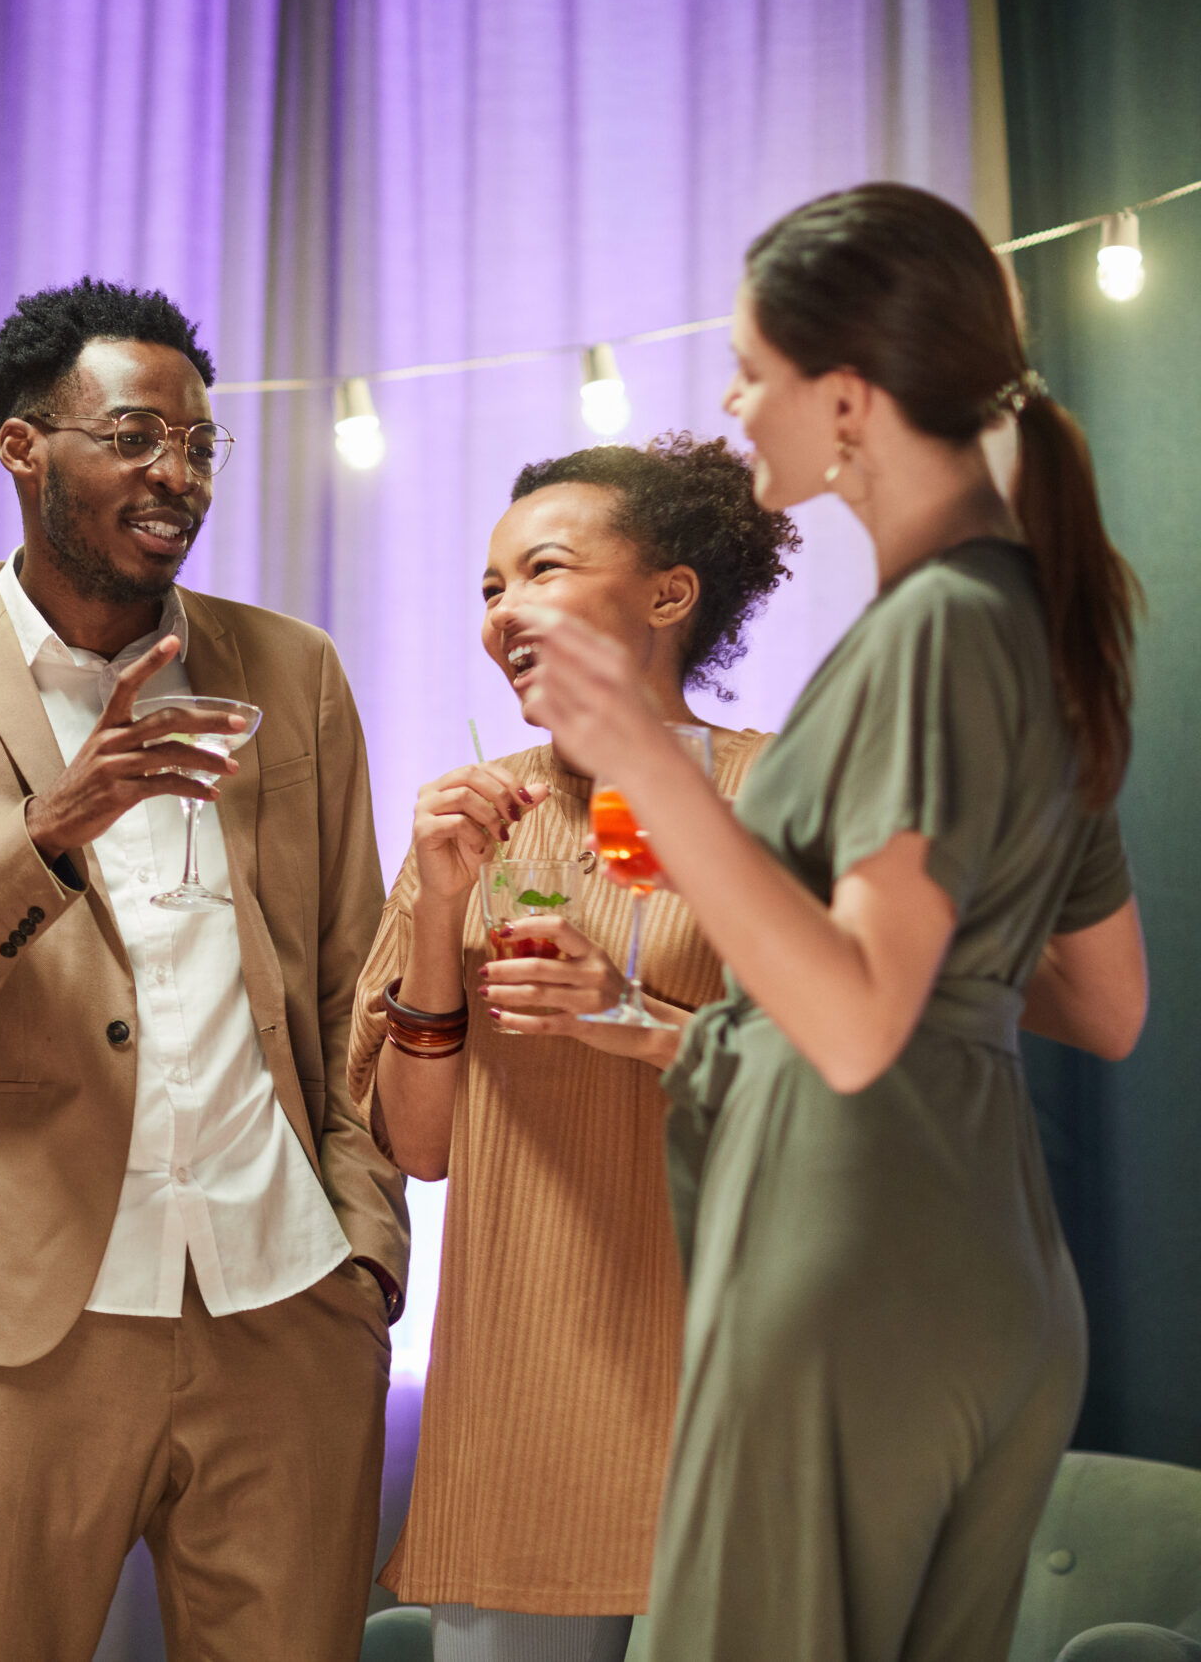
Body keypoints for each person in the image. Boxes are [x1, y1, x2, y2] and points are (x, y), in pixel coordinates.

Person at [514, 182, 1147, 1660]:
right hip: (997, 1274)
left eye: (754, 368)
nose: (734, 402)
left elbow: (858, 1017)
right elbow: (1098, 998)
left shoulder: (929, 631)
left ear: (849, 399)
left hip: (855, 1245)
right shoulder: (1029, 621)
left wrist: (653, 767)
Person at [0, 278, 406, 1661]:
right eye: (137, 436)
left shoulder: (294, 671)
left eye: (199, 446)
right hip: (25, 1325)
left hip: (289, 1307)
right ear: (23, 446)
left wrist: (364, 1249)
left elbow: (352, 986)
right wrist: (47, 832)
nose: (177, 477)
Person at [345, 436, 798, 1662]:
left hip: (736, 1383)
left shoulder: (778, 797)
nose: (502, 610)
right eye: (489, 589)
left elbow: (857, 1084)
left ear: (667, 594)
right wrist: (438, 912)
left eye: (540, 569)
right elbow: (418, 1148)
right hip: (521, 1393)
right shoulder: (468, 818)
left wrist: (639, 1023)